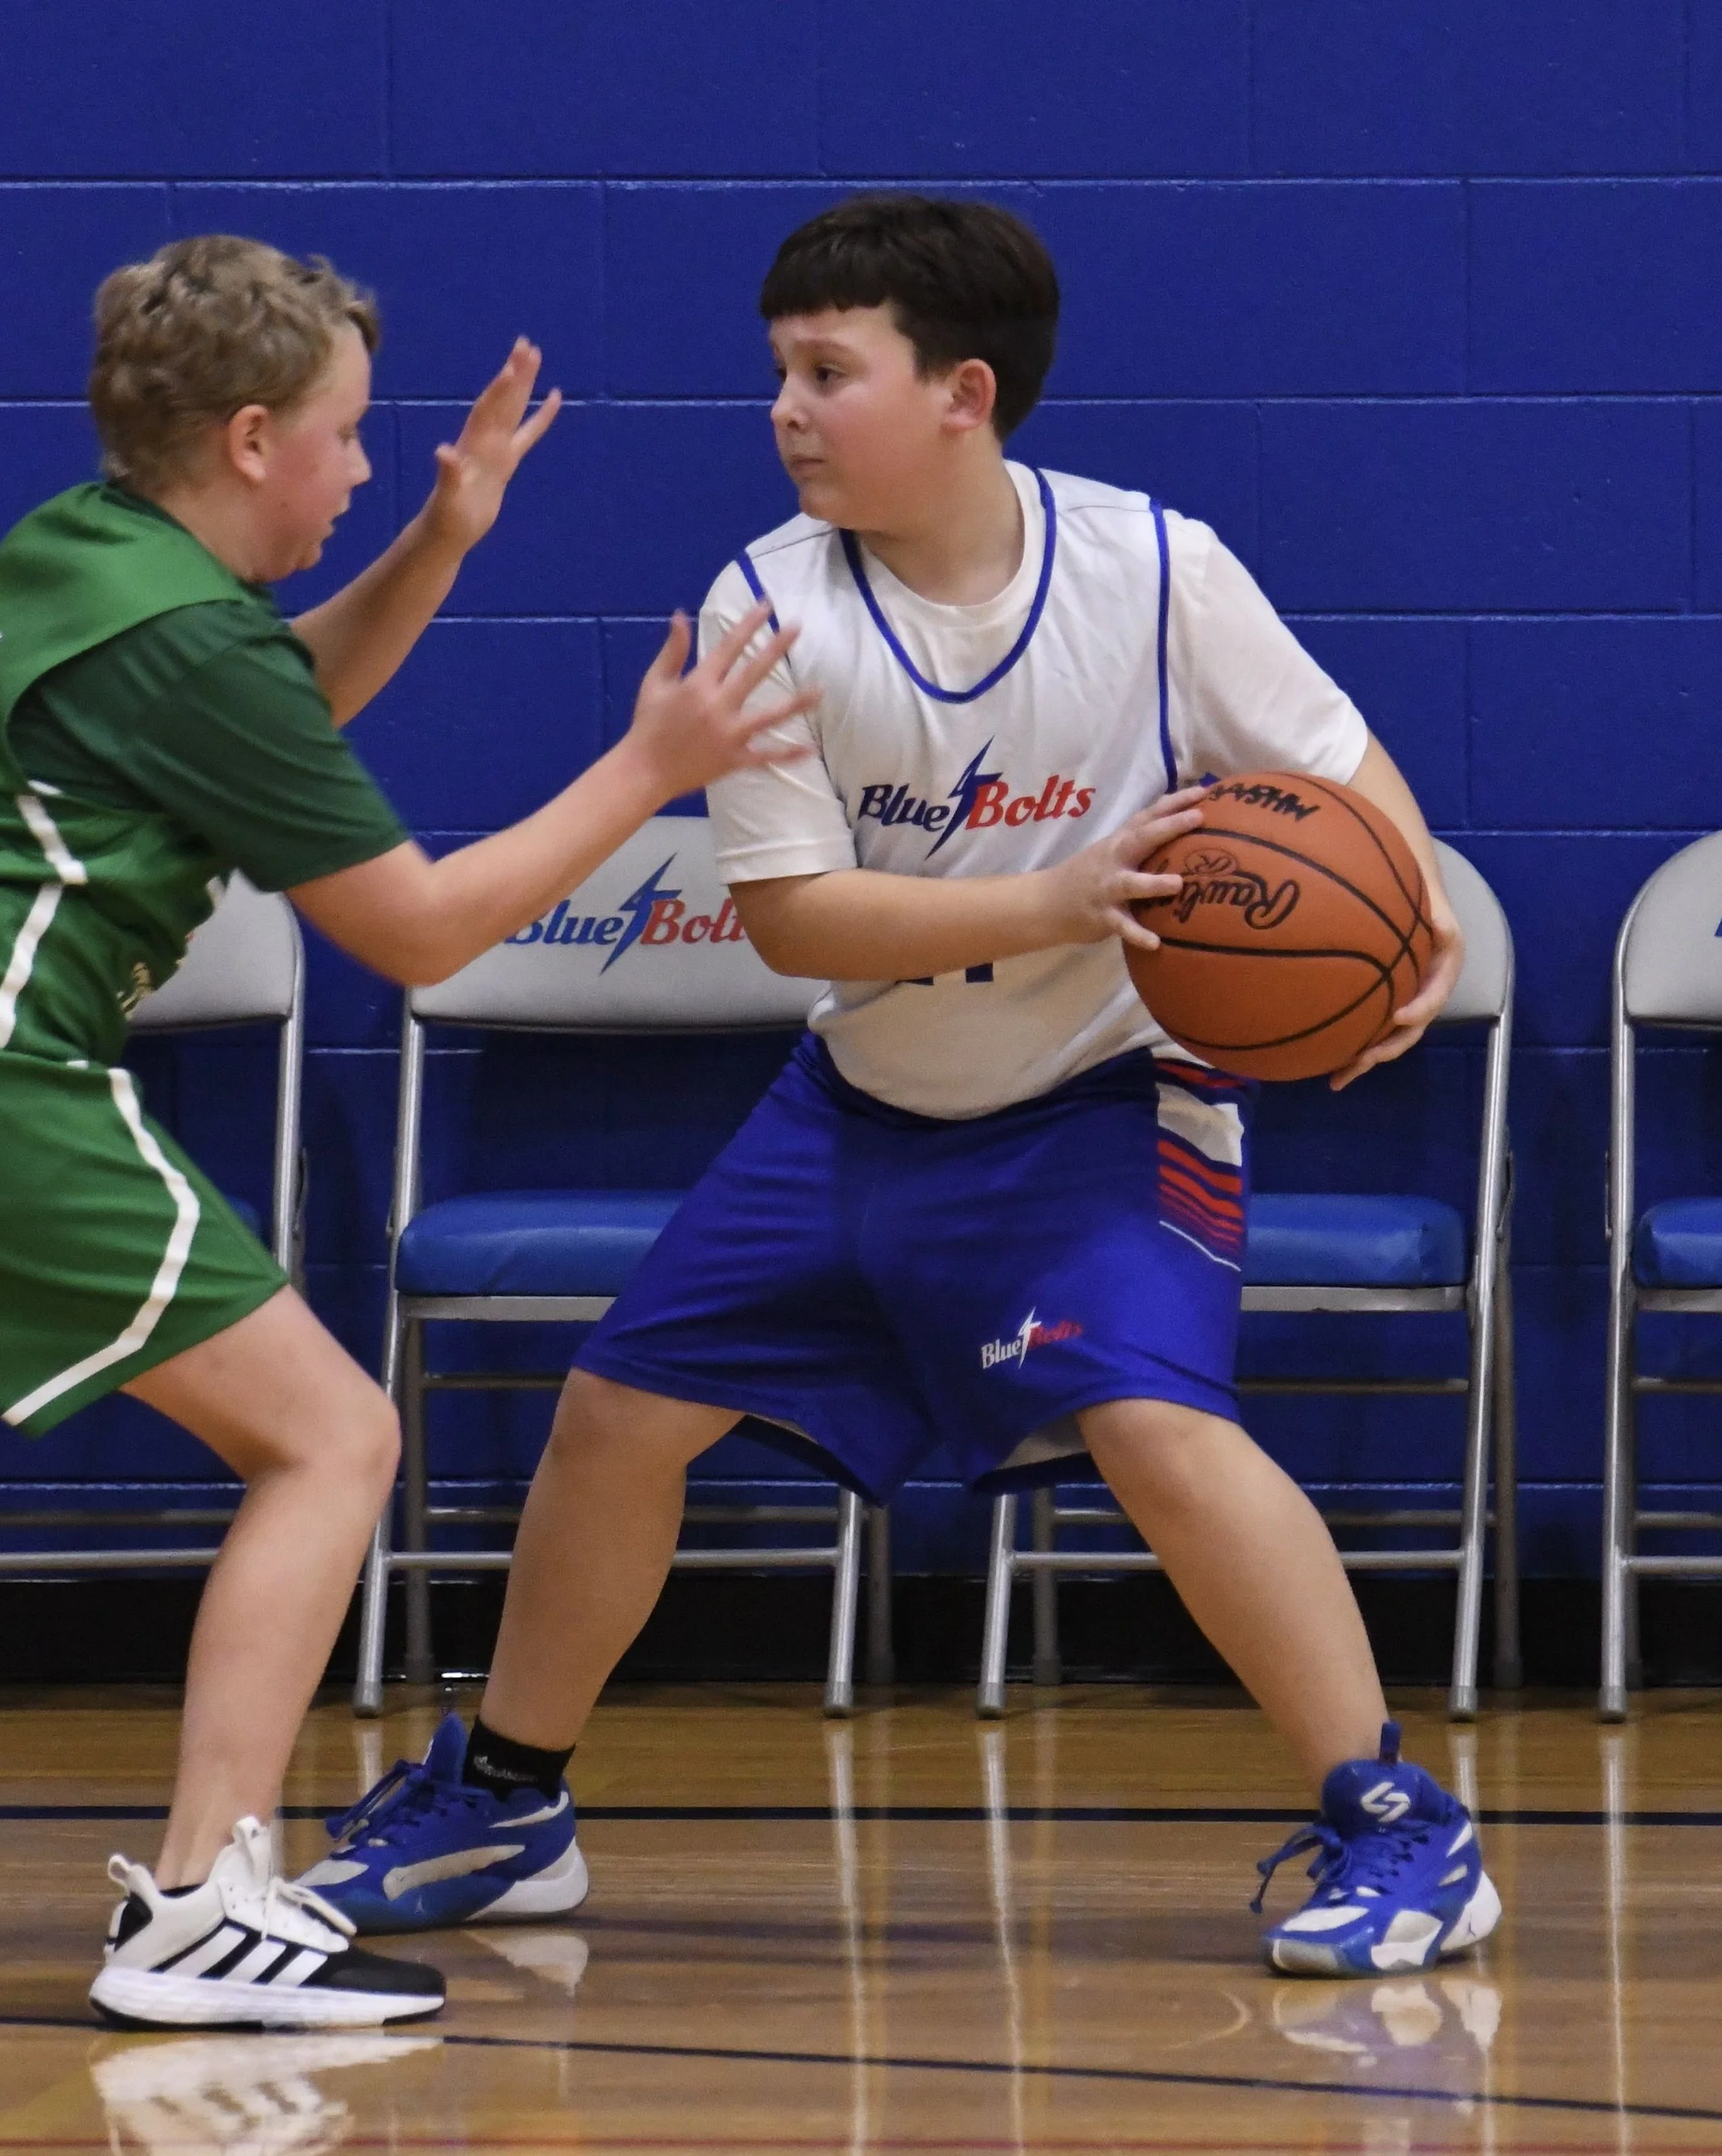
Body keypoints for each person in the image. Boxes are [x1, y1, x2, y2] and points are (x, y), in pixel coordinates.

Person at [303, 195, 1500, 1980]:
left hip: (1102, 1105)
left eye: (823, 372)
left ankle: (1403, 1825)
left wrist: (1397, 938)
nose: (783, 408)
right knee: (618, 1411)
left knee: (1161, 1430)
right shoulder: (766, 603)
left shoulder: (1155, 569)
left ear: (963, 393)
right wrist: (1054, 896)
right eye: (776, 371)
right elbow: (790, 923)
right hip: (855, 1107)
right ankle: (508, 1798)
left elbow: (1342, 777)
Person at [0, 234, 811, 2030]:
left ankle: (207, 1895)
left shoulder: (82, 550)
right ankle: (202, 1898)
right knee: (331, 1437)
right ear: (252, 436)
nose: (364, 465)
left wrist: (442, 537)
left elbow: (277, 701)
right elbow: (419, 928)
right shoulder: (184, 638)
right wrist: (651, 768)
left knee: (314, 1434)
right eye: (348, 436)